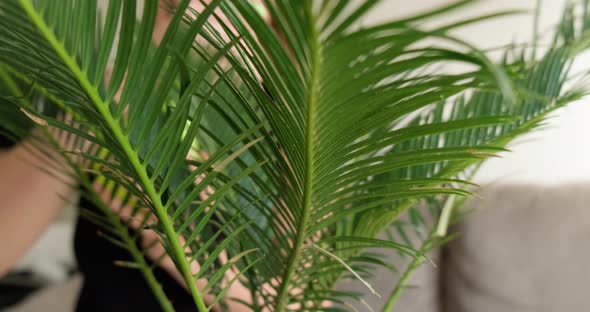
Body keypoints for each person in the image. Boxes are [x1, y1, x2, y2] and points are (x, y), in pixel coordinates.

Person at [0, 1, 268, 311]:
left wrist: (183, 251)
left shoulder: (303, 136)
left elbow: (299, 299)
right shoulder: (105, 103)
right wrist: (90, 113)